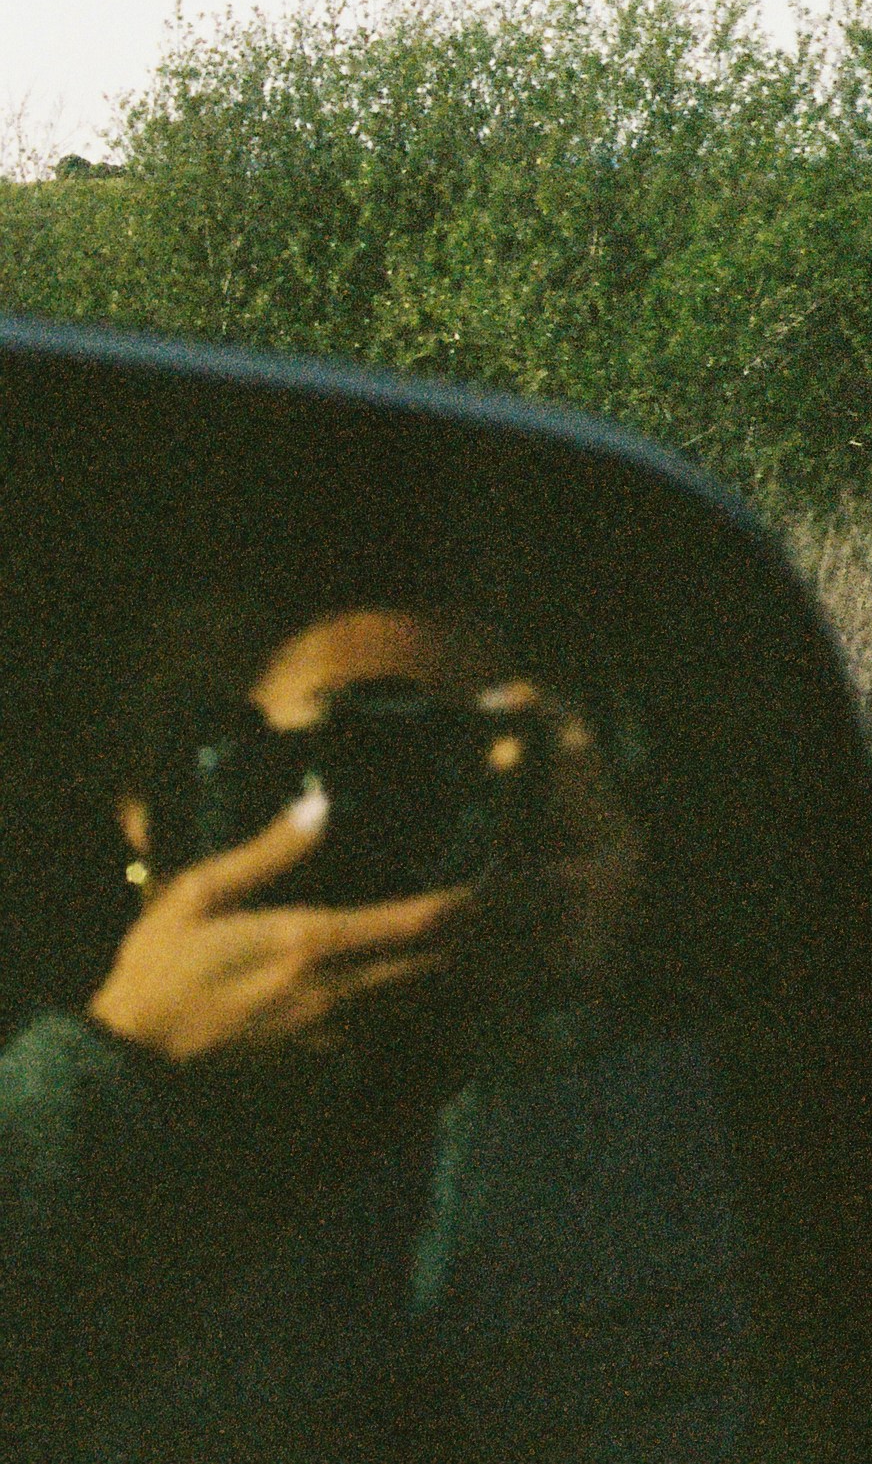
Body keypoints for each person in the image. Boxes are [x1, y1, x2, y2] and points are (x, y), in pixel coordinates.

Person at [0, 606, 746, 1460]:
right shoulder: (70, 1082)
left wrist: (586, 995)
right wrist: (114, 1074)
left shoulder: (608, 1083)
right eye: (336, 758)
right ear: (164, 805)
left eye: (441, 759)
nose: (388, 803)